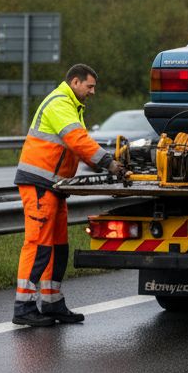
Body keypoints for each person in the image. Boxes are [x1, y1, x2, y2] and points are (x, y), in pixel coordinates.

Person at [12, 64, 123, 326]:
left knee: (57, 247)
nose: (93, 92)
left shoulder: (72, 106)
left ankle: (51, 303)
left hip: (54, 186)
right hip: (40, 184)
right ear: (75, 82)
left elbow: (78, 145)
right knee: (38, 243)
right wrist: (109, 163)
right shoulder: (60, 103)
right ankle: (23, 306)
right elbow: (78, 141)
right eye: (90, 86)